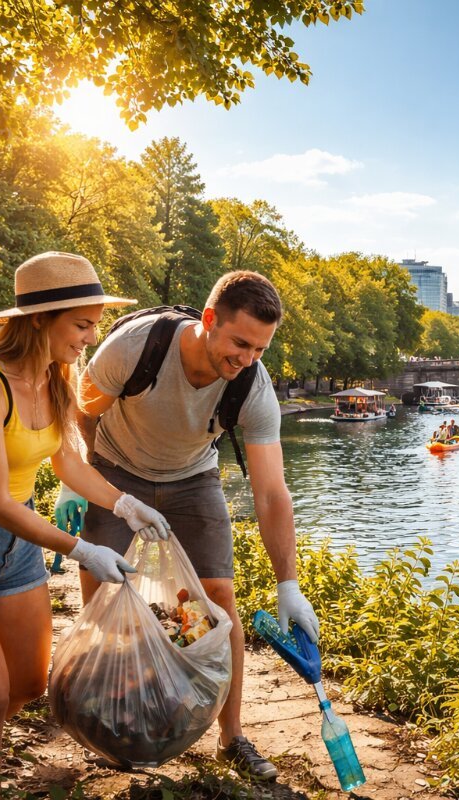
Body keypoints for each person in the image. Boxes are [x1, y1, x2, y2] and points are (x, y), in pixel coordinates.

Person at [0, 252, 169, 793]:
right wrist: (82, 550)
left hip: (14, 544)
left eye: (95, 323)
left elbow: (67, 461)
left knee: (24, 684)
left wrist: (125, 504)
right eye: (83, 324)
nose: (92, 337)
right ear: (40, 319)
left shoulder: (57, 374)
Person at [74, 270, 320, 780]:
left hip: (192, 477)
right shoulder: (135, 347)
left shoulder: (253, 386)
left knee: (218, 599)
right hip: (116, 470)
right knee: (104, 592)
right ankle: (104, 713)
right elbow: (82, 407)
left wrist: (288, 583)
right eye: (240, 342)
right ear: (209, 321)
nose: (248, 358)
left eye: (260, 348)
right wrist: (82, 479)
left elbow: (271, 492)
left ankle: (232, 738)